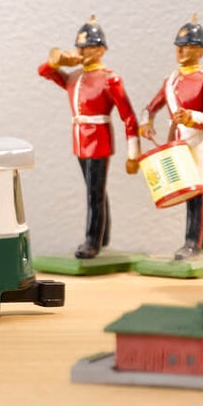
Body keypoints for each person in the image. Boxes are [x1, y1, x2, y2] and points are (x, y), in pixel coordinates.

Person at [37, 16, 138, 261]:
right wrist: (60, 58)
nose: (84, 51)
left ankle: (93, 240)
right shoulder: (75, 77)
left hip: (99, 140)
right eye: (81, 47)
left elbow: (128, 116)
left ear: (102, 49)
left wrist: (133, 153)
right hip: (80, 140)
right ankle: (103, 236)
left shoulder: (109, 78)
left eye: (90, 47)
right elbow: (44, 71)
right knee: (95, 190)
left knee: (94, 193)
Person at [143, 16, 203, 260]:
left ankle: (192, 243)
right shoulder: (171, 80)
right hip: (176, 143)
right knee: (196, 189)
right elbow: (151, 106)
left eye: (186, 45)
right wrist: (146, 122)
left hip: (195, 141)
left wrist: (189, 117)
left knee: (194, 191)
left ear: (199, 50)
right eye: (179, 45)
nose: (180, 50)